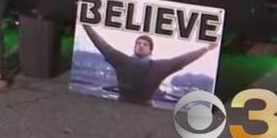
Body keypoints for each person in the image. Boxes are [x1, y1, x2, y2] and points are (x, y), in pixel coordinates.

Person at [81, 26, 217, 106]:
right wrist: (85, 24)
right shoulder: (121, 60)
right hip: (122, 104)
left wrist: (206, 49)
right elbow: (100, 43)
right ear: (134, 47)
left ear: (150, 50)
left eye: (145, 44)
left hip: (146, 108)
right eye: (138, 43)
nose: (141, 45)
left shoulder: (159, 67)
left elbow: (183, 59)